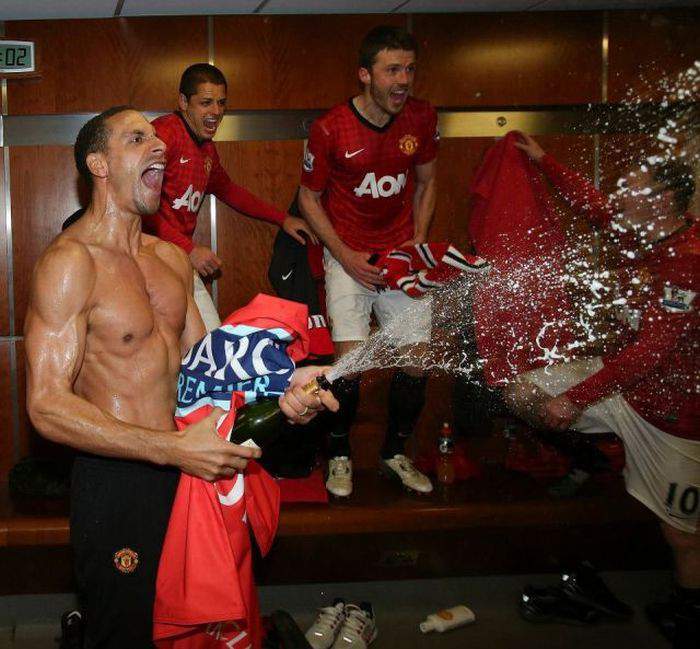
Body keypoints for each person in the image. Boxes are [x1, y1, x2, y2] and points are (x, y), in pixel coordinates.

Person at [24, 106, 336, 649]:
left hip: (192, 472)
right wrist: (170, 449)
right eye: (136, 138)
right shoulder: (70, 264)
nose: (160, 147)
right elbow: (46, 406)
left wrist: (280, 392)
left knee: (197, 634)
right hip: (120, 481)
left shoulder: (171, 259)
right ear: (98, 164)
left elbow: (209, 371)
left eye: (157, 138)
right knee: (125, 634)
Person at [509, 133, 699, 647]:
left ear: (662, 200)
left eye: (631, 187)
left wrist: (575, 397)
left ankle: (688, 611)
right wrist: (542, 159)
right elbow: (593, 205)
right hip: (620, 385)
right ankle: (591, 455)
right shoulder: (642, 227)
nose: (618, 196)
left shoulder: (688, 259)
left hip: (675, 414)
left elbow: (653, 352)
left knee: (683, 534)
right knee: (521, 391)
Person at [299, 25, 439, 497]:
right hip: (349, 256)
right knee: (350, 365)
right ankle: (339, 454)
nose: (404, 81)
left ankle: (394, 452)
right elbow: (308, 197)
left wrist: (417, 244)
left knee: (417, 362)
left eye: (410, 69)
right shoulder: (330, 127)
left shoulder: (421, 117)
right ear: (365, 74)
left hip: (400, 257)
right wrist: (343, 255)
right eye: (392, 70)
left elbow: (427, 182)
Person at [143, 63, 316, 331]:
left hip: (177, 258)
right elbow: (140, 207)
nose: (216, 111)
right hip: (147, 258)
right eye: (206, 103)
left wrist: (282, 219)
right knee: (170, 339)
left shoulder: (207, 150)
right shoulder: (164, 136)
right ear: (183, 102)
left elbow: (228, 190)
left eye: (221, 103)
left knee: (207, 338)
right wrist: (190, 249)